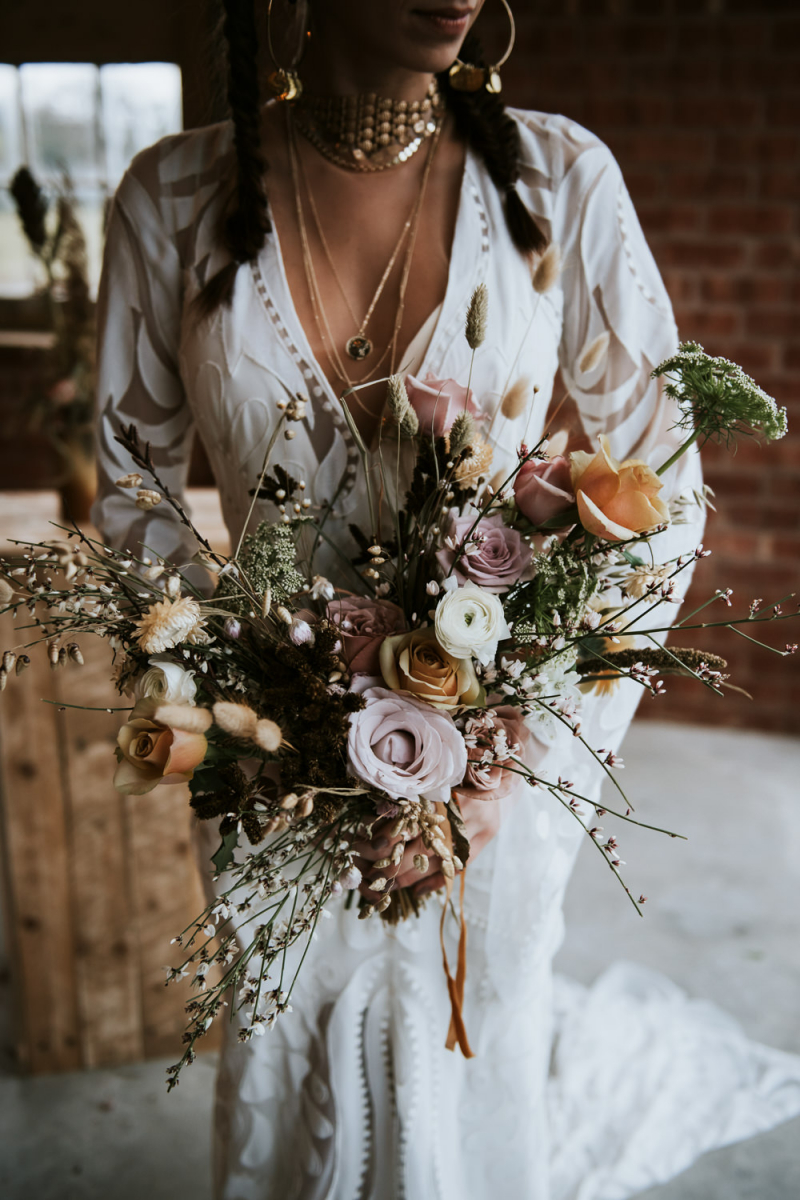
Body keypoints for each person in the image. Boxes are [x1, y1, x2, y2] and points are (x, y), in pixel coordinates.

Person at [91, 2, 800, 1197]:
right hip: (268, 763)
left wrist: (515, 743)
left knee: (477, 1042)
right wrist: (255, 701)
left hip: (495, 769)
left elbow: (660, 483)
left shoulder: (558, 176)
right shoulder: (170, 195)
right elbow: (130, 483)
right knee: (285, 1038)